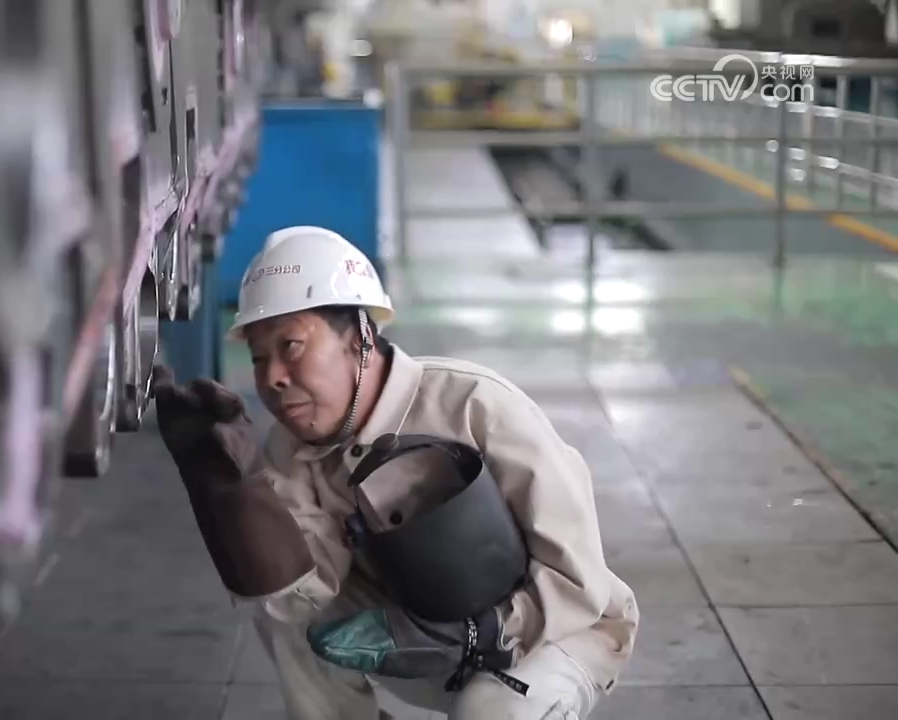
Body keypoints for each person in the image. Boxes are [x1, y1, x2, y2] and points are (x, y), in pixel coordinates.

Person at [152, 226, 639, 720]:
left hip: (553, 633)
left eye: (291, 345)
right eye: (258, 358)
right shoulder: (290, 451)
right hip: (420, 638)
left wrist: (475, 634)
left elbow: (577, 578)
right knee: (282, 608)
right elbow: (301, 599)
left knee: (489, 711)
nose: (272, 376)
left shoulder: (474, 405)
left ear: (360, 337)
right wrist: (233, 494)